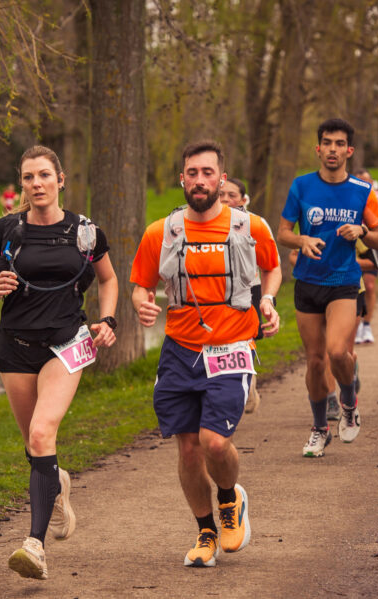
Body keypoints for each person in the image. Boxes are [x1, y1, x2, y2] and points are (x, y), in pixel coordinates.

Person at [0, 145, 118, 580]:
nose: (37, 184)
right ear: (22, 184)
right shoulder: (5, 231)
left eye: (45, 175)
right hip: (15, 345)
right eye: (29, 177)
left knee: (41, 432)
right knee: (35, 447)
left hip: (66, 343)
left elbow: (108, 279)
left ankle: (35, 546)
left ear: (60, 180)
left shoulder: (85, 232)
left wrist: (107, 320)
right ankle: (56, 481)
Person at [131, 140, 281, 568]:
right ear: (182, 178)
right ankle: (205, 533)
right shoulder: (161, 232)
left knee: (215, 443)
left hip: (232, 345)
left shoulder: (250, 226)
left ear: (222, 178)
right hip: (180, 351)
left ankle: (230, 499)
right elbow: (141, 283)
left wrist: (267, 299)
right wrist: (142, 303)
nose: (200, 180)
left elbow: (272, 267)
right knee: (188, 449)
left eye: (208, 173)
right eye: (192, 173)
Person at [277, 118, 378, 458]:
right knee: (314, 362)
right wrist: (302, 240)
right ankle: (320, 429)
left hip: (343, 282)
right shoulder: (301, 186)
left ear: (349, 150)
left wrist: (362, 231)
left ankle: (349, 402)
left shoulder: (363, 191)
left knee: (338, 352)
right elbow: (283, 232)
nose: (332, 149)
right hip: (307, 282)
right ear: (318, 148)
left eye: (339, 144)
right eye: (327, 143)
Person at [218, 176, 264, 414]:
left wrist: (268, 299)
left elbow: (270, 263)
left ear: (243, 199)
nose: (226, 199)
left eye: (232, 195)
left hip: (249, 289)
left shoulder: (254, 223)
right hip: (216, 291)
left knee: (246, 338)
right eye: (221, 195)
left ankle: (249, 381)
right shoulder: (204, 222)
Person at [352, 168, 378, 344]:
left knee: (369, 285)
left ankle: (366, 324)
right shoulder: (347, 197)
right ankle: (356, 324)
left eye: (365, 181)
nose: (362, 184)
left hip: (370, 241)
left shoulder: (377, 198)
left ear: (371, 182)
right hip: (350, 242)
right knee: (353, 287)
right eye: (358, 180)